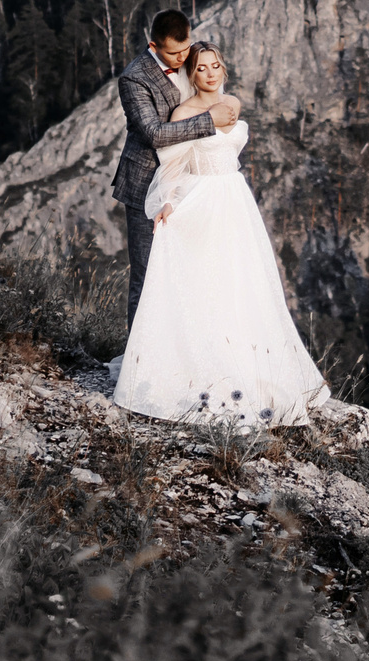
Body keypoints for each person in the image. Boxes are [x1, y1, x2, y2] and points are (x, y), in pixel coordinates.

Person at [114, 41, 330, 427]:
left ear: (224, 68)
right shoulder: (185, 111)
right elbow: (173, 164)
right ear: (191, 75)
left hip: (234, 199)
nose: (210, 73)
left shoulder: (234, 103)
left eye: (215, 66)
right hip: (201, 198)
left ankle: (249, 361)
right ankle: (198, 365)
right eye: (201, 68)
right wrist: (167, 202)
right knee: (203, 283)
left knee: (242, 282)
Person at [110, 10, 237, 329]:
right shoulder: (134, 77)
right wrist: (210, 122)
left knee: (190, 276)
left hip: (191, 188)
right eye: (174, 52)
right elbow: (153, 133)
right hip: (145, 184)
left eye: (186, 49)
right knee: (148, 275)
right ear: (154, 45)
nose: (183, 58)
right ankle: (137, 363)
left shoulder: (189, 57)